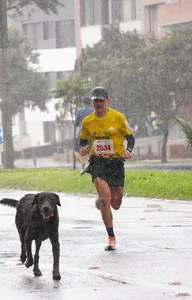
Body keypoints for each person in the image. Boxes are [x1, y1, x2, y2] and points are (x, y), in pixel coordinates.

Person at [79, 86, 135, 251]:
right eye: (95, 101)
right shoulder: (88, 121)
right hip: (98, 163)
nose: (98, 104)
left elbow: (130, 138)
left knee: (116, 203)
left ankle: (101, 202)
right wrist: (84, 148)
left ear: (107, 101)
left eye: (101, 101)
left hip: (116, 163)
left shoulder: (118, 117)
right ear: (92, 102)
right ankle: (111, 237)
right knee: (105, 198)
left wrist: (128, 150)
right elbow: (82, 140)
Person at [74, 96, 94, 169]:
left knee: (76, 150)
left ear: (83, 103)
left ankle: (83, 163)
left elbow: (76, 123)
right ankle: (89, 163)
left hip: (82, 134)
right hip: (91, 134)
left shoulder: (80, 111)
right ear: (90, 103)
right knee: (90, 150)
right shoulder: (93, 111)